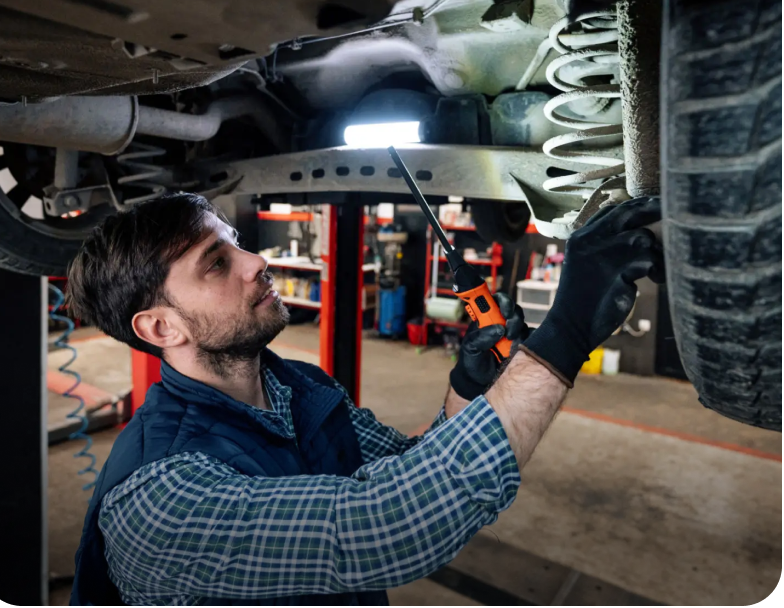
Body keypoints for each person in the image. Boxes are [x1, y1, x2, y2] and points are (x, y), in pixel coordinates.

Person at [66, 192, 663, 606]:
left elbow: (407, 470)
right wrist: (566, 333)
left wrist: (469, 388)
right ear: (162, 329)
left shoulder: (301, 388)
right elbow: (386, 525)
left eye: (238, 243)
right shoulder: (159, 495)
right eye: (217, 263)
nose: (257, 261)